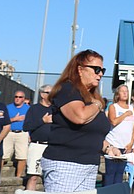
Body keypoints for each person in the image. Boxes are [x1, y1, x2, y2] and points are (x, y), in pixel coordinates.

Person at [41, 49, 120, 192]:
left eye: (102, 70)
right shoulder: (67, 90)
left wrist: (109, 148)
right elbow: (80, 117)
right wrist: (98, 104)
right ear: (80, 69)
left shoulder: (92, 97)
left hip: (89, 165)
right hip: (65, 164)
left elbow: (93, 134)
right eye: (96, 69)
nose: (100, 74)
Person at [104, 84, 134, 185]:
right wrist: (125, 114)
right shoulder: (113, 107)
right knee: (110, 173)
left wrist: (131, 142)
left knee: (120, 174)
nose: (125, 93)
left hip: (126, 146)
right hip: (113, 144)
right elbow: (113, 121)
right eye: (122, 91)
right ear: (118, 94)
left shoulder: (132, 109)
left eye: (126, 91)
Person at [23, 85, 53, 191]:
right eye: (48, 92)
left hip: (52, 147)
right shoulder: (34, 109)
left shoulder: (56, 109)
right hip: (37, 146)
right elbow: (26, 127)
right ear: (42, 94)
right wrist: (42, 121)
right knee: (33, 177)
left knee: (51, 177)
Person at [4, 89, 30, 177]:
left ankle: (18, 177)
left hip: (22, 133)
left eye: (20, 97)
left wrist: (30, 135)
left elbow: (31, 122)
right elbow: (3, 121)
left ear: (23, 99)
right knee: (3, 156)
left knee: (22, 156)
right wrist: (15, 119)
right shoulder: (8, 107)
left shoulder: (28, 109)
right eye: (16, 97)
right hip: (9, 133)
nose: (17, 99)